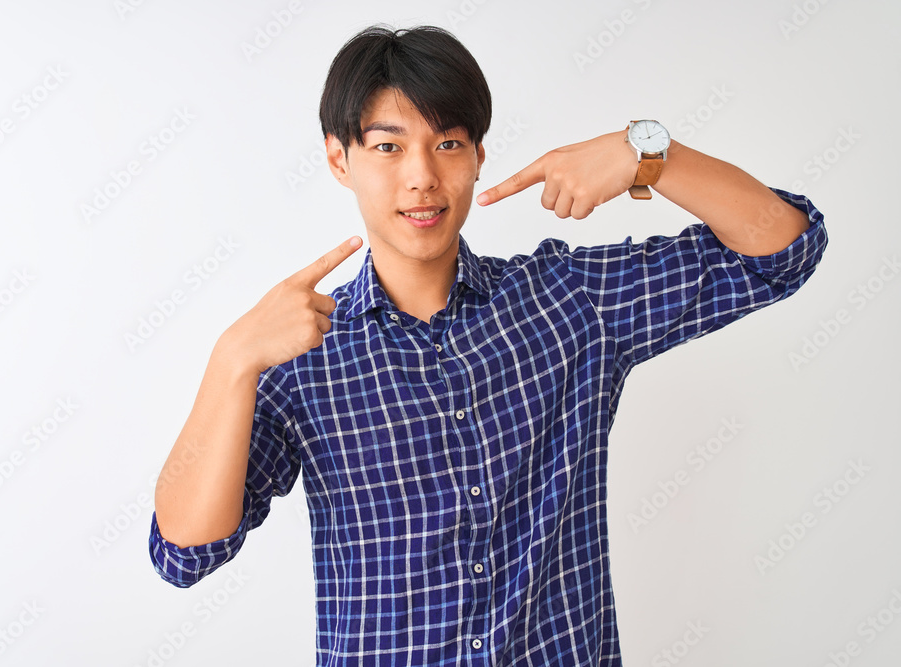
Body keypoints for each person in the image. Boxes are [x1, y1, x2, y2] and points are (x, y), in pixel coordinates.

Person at [149, 24, 827, 666]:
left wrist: (647, 153)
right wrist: (231, 360)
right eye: (388, 147)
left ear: (478, 156)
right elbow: (184, 553)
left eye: (447, 143)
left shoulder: (566, 302)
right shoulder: (301, 352)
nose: (422, 176)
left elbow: (784, 251)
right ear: (339, 158)